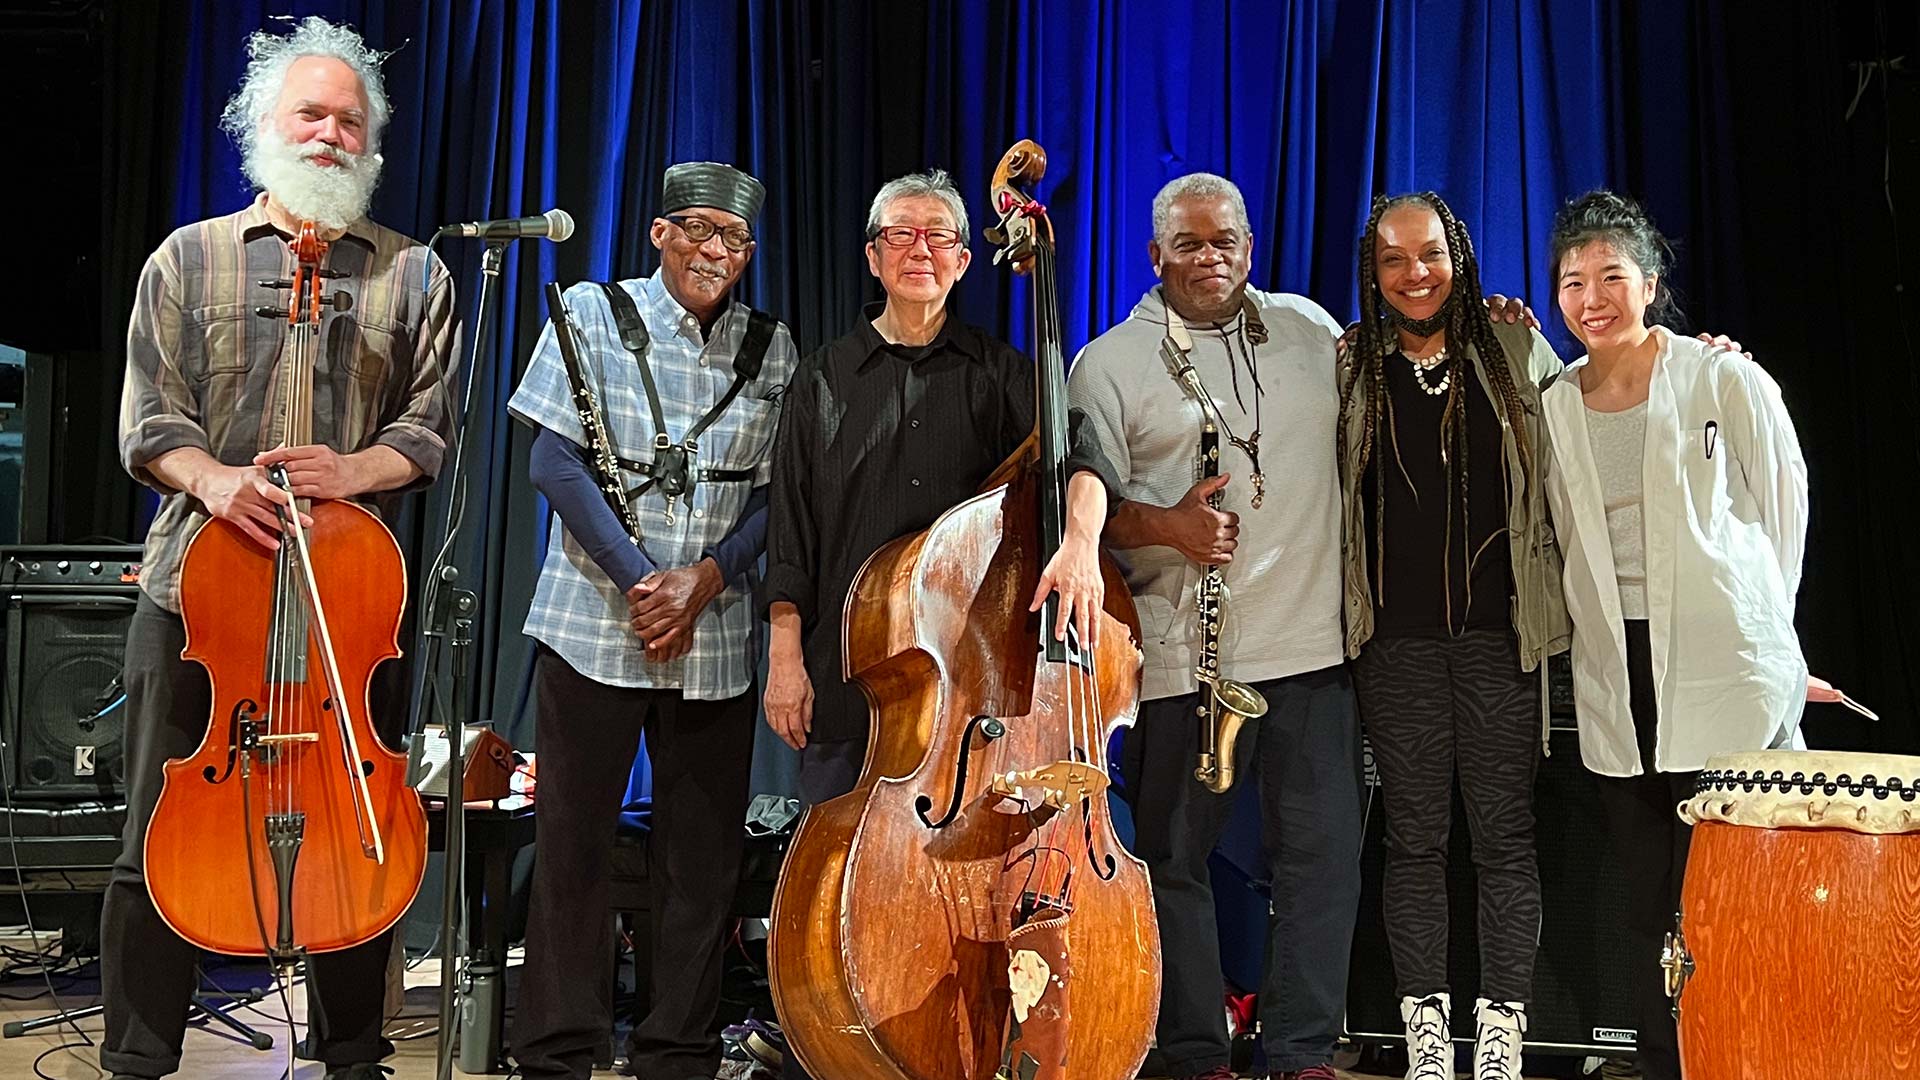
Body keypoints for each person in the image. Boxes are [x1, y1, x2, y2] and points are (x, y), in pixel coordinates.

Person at [107, 17, 454, 1080]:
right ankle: (135, 1053)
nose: (331, 134)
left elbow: (430, 427)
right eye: (312, 113)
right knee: (154, 832)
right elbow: (147, 420)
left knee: (360, 825)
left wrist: (354, 471)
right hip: (199, 594)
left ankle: (354, 1053)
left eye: (351, 120)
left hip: (347, 608)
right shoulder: (188, 259)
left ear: (372, 143)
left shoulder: (414, 274)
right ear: (264, 125)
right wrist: (214, 480)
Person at [1066, 172, 1361, 1080]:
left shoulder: (1313, 331)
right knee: (1171, 860)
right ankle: (1194, 1048)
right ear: (1153, 255)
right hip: (1182, 661)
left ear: (1249, 245)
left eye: (1223, 239)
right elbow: (1084, 510)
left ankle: (1301, 1048)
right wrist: (1169, 526)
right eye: (1188, 243)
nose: (1209, 257)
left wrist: (1506, 329)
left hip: (1314, 649)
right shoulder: (1108, 362)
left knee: (1323, 860)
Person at [506, 162, 797, 1080]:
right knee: (572, 849)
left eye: (734, 239)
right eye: (699, 229)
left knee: (702, 865)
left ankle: (677, 1052)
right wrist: (646, 584)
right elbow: (554, 466)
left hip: (711, 636)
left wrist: (704, 582)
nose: (716, 249)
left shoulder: (772, 348)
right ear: (660, 233)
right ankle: (559, 1051)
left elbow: (776, 499)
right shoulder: (589, 314)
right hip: (596, 622)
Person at [1541, 190, 1808, 1080]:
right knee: (1648, 895)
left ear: (1650, 283)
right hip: (1621, 671)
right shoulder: (1555, 403)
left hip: (1722, 661)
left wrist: (1778, 640)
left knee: (1733, 884)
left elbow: (1784, 507)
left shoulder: (1721, 376)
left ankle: (1751, 1050)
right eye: (1572, 281)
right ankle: (1669, 1059)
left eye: (1611, 275)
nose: (1591, 297)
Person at [761, 167, 1116, 805]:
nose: (919, 250)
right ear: (872, 257)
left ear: (963, 260)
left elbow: (1081, 459)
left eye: (937, 236)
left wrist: (1081, 544)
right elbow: (792, 538)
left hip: (969, 680)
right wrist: (784, 661)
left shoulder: (1002, 372)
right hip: (851, 673)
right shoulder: (820, 380)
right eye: (899, 235)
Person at [1335, 192, 1571, 1080]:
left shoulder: (1512, 349)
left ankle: (1502, 1028)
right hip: (1393, 644)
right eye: (1392, 260)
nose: (1414, 273)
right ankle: (1427, 1029)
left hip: (1499, 637)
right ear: (1373, 274)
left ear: (1459, 254)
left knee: (1505, 835)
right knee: (1416, 839)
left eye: (1428, 252)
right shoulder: (1352, 363)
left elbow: (1582, 430)